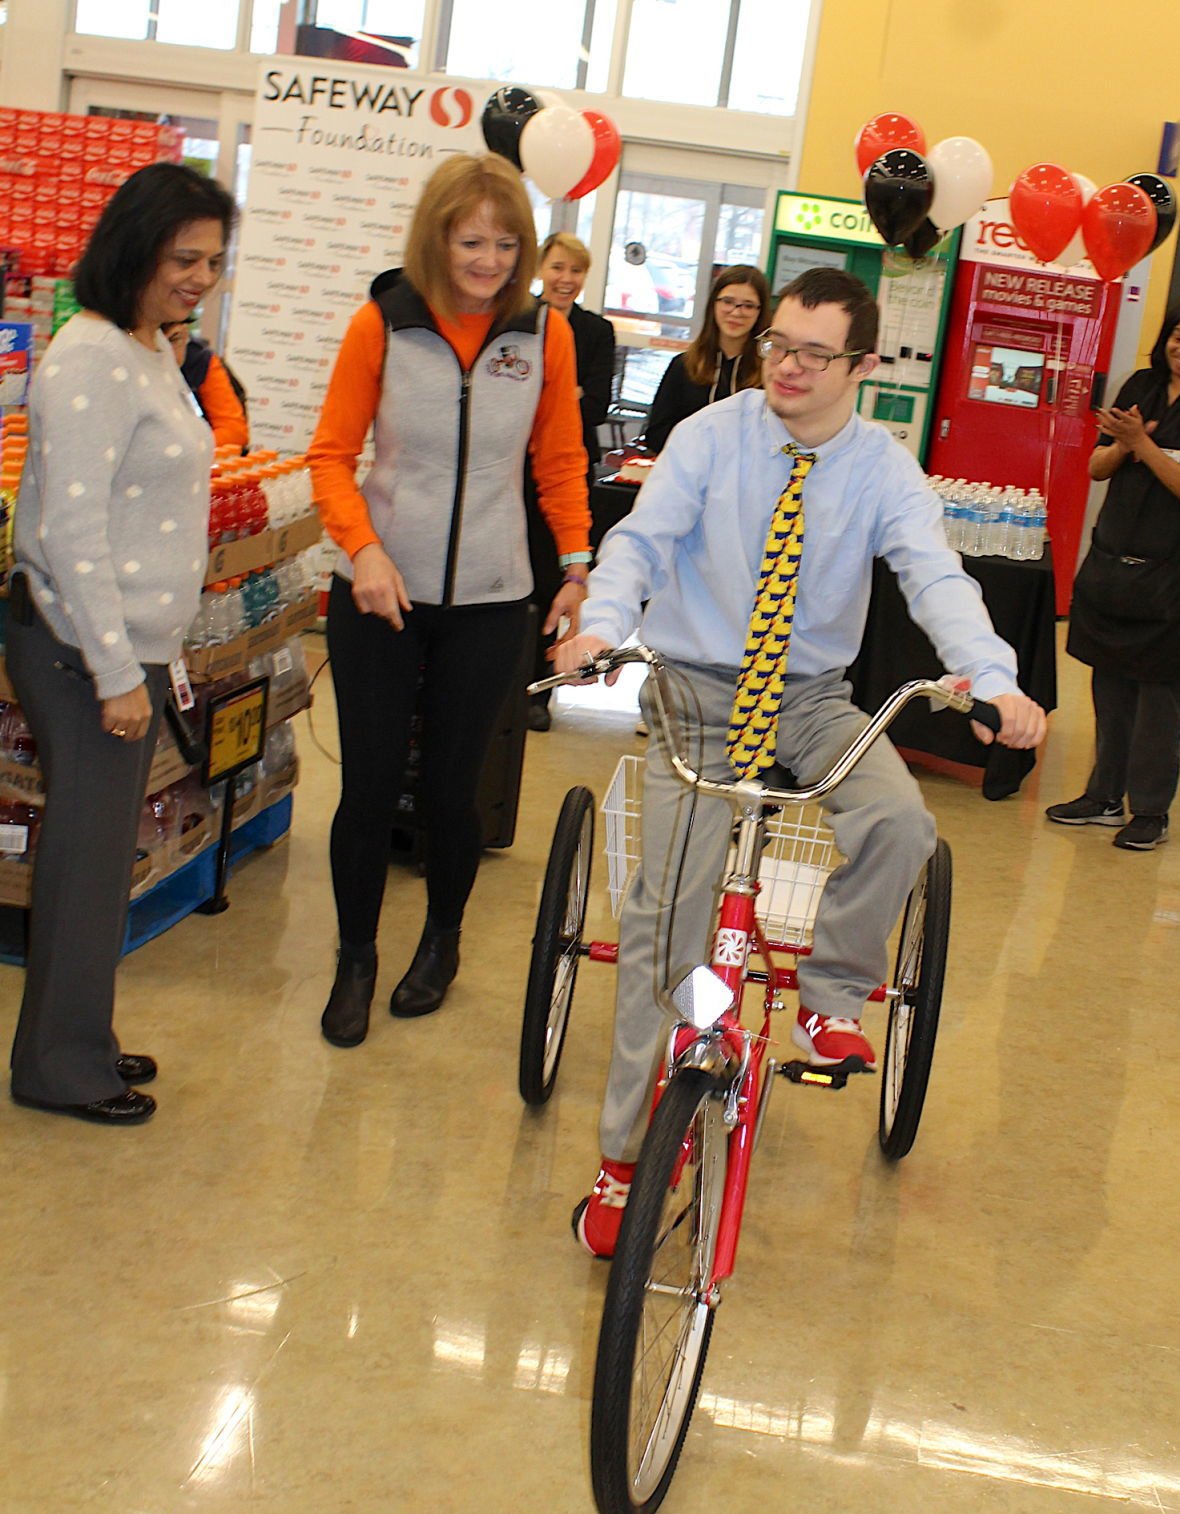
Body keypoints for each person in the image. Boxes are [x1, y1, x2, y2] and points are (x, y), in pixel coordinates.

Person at [555, 267, 1047, 1256]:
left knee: (902, 821)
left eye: (816, 354)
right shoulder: (711, 437)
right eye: (780, 344)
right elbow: (642, 543)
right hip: (694, 691)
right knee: (665, 930)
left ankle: (828, 999)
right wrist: (602, 626)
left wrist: (993, 677)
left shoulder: (882, 467)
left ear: (862, 364)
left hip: (811, 702)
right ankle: (620, 1163)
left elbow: (934, 578)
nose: (789, 366)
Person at [307, 153, 591, 1049]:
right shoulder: (378, 326)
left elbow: (559, 462)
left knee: (452, 790)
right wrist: (364, 552)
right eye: (472, 241)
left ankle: (441, 940)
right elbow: (329, 457)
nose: (491, 261)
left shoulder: (543, 335)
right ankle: (356, 958)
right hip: (379, 597)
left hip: (491, 599)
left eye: (508, 243)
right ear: (437, 238)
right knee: (369, 784)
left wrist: (577, 566)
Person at [7, 163, 233, 1125]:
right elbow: (69, 531)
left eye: (215, 261)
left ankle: (82, 1037)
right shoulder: (92, 356)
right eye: (185, 257)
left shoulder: (147, 347)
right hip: (80, 648)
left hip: (124, 645)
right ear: (133, 246)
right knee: (87, 862)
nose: (200, 276)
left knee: (100, 863)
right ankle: (57, 1066)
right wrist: (112, 669)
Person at [1047, 297, 1180, 851]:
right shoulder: (1141, 384)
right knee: (1109, 680)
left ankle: (1151, 811)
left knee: (1161, 692)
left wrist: (1143, 444)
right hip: (1116, 560)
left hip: (1176, 574)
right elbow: (1096, 467)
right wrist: (1121, 444)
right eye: (1178, 337)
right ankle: (1103, 796)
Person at [525, 231, 615, 733]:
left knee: (552, 580)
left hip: (568, 471)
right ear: (541, 268)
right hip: (516, 472)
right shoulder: (518, 320)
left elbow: (596, 405)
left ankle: (540, 688)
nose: (566, 279)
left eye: (576, 271)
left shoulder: (597, 332)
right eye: (558, 267)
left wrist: (551, 400)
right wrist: (565, 394)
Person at [642, 265, 770, 455]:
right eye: (728, 301)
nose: (736, 312)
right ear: (713, 304)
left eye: (748, 305)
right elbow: (656, 433)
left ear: (760, 311)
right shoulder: (683, 365)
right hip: (688, 475)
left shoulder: (770, 372)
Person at [161, 318, 250, 452]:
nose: (167, 352)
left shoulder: (202, 360)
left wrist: (187, 450)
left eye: (175, 339)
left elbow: (234, 432)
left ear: (185, 334)